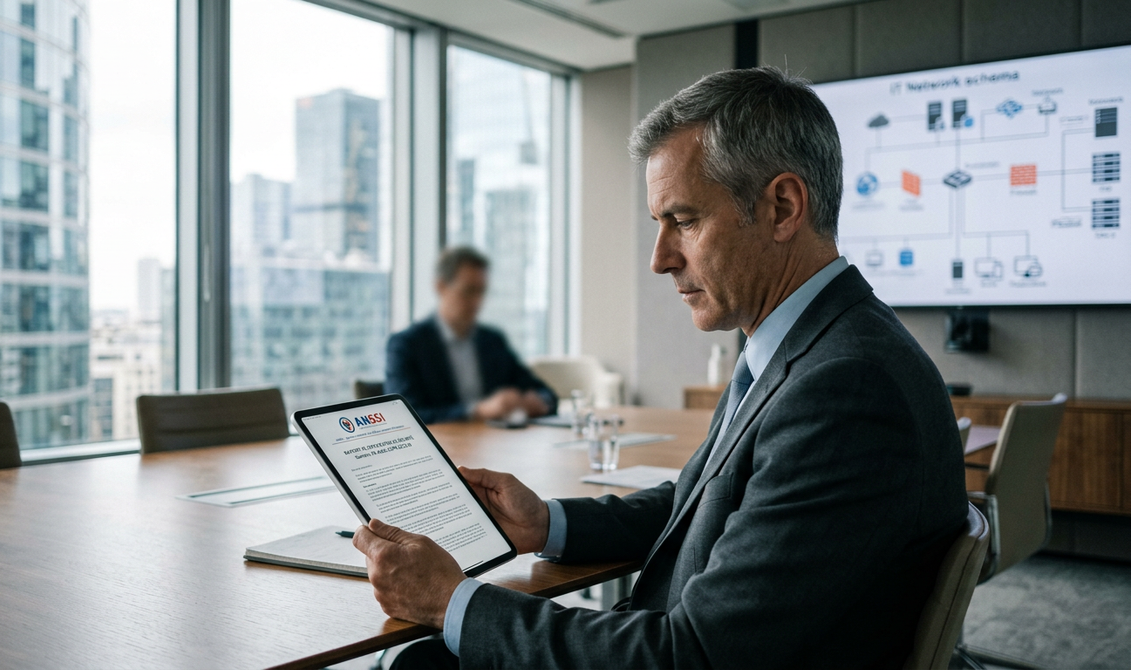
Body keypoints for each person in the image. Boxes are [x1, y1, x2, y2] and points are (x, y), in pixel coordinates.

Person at [355, 66, 967, 668]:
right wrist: (548, 523)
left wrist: (452, 600)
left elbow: (692, 657)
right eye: (659, 224)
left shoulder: (845, 387)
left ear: (783, 207)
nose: (660, 259)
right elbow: (708, 501)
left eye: (685, 221)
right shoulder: (811, 345)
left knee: (424, 663)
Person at [385, 246, 557, 424]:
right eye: (468, 291)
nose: (477, 301)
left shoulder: (492, 341)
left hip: (496, 445)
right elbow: (404, 417)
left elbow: (545, 392)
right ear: (441, 287)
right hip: (445, 447)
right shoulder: (406, 345)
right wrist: (477, 410)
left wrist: (537, 402)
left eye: (481, 291)